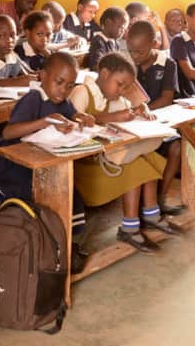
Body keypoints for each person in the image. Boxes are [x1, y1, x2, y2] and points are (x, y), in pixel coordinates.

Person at [0, 52, 94, 272]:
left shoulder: (63, 101)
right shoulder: (34, 99)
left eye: (70, 85)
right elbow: (10, 131)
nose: (63, 90)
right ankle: (46, 247)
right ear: (42, 76)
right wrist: (43, 121)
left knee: (70, 194)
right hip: (9, 165)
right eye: (59, 82)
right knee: (34, 198)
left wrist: (82, 117)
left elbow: (72, 114)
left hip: (40, 163)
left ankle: (65, 244)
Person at [69, 53, 181, 253]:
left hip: (106, 159)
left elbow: (131, 109)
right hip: (85, 168)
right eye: (119, 84)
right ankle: (130, 228)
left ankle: (151, 214)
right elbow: (72, 125)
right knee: (136, 165)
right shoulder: (82, 92)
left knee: (149, 156)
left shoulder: (114, 97)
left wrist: (141, 111)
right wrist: (113, 117)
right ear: (103, 74)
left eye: (126, 87)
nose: (122, 91)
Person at [125, 21, 184, 215]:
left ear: (154, 44)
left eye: (139, 52)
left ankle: (161, 196)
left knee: (176, 147)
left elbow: (167, 99)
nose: (134, 56)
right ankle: (143, 202)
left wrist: (144, 111)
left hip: (156, 121)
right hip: (130, 123)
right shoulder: (127, 64)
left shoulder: (168, 64)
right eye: (130, 50)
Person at [87, 6, 129, 71]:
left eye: (124, 29)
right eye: (121, 27)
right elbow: (96, 65)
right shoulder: (98, 42)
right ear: (108, 23)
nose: (122, 31)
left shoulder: (116, 42)